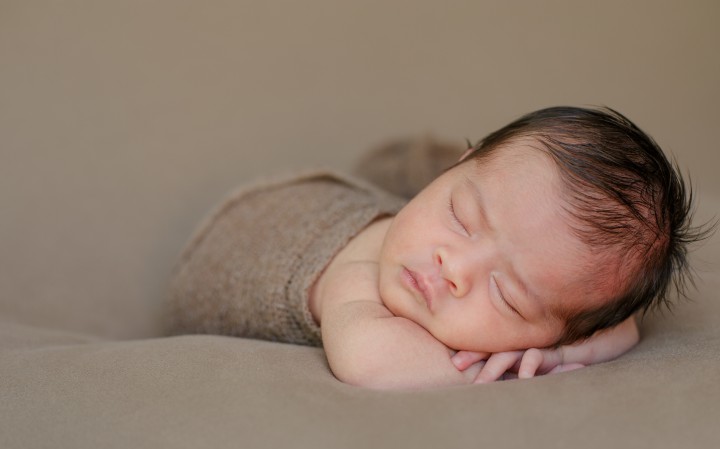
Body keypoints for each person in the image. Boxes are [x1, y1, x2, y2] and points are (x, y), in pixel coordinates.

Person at [165, 106, 705, 389]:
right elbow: (372, 365)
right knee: (401, 182)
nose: (454, 268)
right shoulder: (358, 279)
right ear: (456, 171)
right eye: (461, 218)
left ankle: (439, 177)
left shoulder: (434, 246)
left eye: (507, 296)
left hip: (349, 209)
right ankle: (427, 165)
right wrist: (537, 363)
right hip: (270, 219)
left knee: (444, 198)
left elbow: (622, 326)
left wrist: (567, 344)